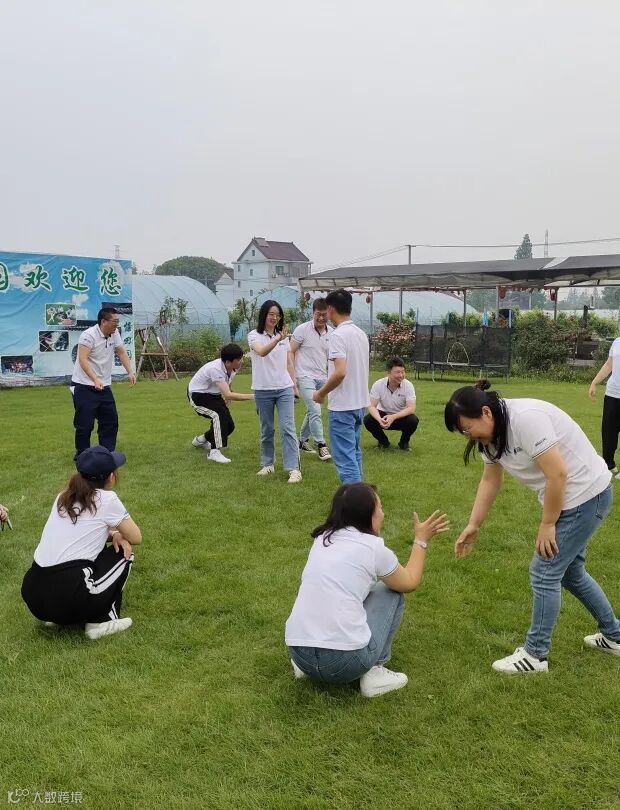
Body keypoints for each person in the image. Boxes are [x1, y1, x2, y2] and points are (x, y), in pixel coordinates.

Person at [445, 380, 620, 674]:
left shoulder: (525, 419)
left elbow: (558, 474)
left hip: (585, 495)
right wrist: (474, 524)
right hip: (571, 497)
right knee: (571, 573)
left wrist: (548, 523)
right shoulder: (490, 437)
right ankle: (614, 635)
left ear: (485, 412)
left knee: (545, 572)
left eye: (467, 428)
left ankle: (535, 655)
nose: (468, 436)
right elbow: (490, 479)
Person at [285, 483, 449, 697]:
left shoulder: (322, 539)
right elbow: (409, 582)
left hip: (299, 655)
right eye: (380, 507)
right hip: (344, 663)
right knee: (390, 591)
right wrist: (421, 540)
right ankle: (375, 672)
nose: (383, 513)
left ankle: (311, 668)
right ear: (368, 515)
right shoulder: (374, 549)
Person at [21, 446, 142, 640]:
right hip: (69, 595)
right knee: (124, 552)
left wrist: (113, 533)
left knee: (102, 548)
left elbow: (85, 532)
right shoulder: (107, 498)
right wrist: (119, 534)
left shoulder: (63, 496)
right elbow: (136, 537)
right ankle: (100, 622)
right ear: (110, 477)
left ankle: (59, 615)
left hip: (34, 596)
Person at [313, 289, 369, 483]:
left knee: (345, 458)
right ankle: (362, 494)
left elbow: (340, 372)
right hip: (359, 404)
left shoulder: (337, 336)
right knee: (354, 452)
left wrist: (321, 393)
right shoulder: (361, 334)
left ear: (330, 309)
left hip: (343, 406)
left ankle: (355, 498)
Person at [70, 307, 136, 457]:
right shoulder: (88, 336)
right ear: (103, 321)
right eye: (114, 321)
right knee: (85, 424)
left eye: (118, 321)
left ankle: (107, 453)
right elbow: (82, 359)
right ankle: (82, 455)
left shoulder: (114, 333)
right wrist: (95, 379)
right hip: (83, 385)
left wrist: (130, 372)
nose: (117, 325)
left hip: (104, 385)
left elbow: (121, 352)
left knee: (110, 421)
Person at [248, 300, 302, 483]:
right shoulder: (254, 335)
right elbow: (262, 352)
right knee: (267, 429)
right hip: (263, 389)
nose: (274, 318)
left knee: (288, 428)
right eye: (271, 314)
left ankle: (294, 468)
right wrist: (278, 338)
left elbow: (289, 363)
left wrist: (294, 386)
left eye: (277, 315)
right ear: (264, 315)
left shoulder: (283, 338)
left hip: (284, 388)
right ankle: (268, 464)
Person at [188, 343, 254, 464]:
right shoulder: (215, 369)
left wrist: (229, 392)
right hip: (198, 395)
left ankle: (201, 440)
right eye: (239, 359)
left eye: (241, 358)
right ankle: (214, 452)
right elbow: (228, 394)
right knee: (218, 416)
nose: (241, 361)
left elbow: (228, 381)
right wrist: (254, 396)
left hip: (213, 394)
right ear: (228, 362)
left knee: (229, 426)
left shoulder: (234, 366)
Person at [290, 298, 332, 461]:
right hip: (304, 376)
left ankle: (301, 441)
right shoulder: (302, 330)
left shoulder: (332, 333)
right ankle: (321, 444)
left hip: (322, 377)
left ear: (328, 313)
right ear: (312, 313)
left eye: (324, 314)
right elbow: (290, 352)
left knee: (312, 410)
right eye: (317, 314)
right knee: (315, 410)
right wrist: (293, 377)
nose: (321, 318)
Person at [364, 357, 419, 451]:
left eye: (403, 372)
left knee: (413, 420)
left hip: (399, 417)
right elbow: (371, 406)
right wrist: (379, 419)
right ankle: (383, 442)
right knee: (368, 420)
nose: (401, 375)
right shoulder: (378, 384)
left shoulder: (408, 385)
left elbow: (411, 408)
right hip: (383, 416)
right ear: (388, 373)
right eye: (398, 372)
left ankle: (404, 443)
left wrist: (393, 417)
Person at [589, 338, 620, 477]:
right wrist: (594, 383)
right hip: (612, 394)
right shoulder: (617, 342)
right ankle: (609, 465)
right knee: (609, 431)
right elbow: (609, 365)